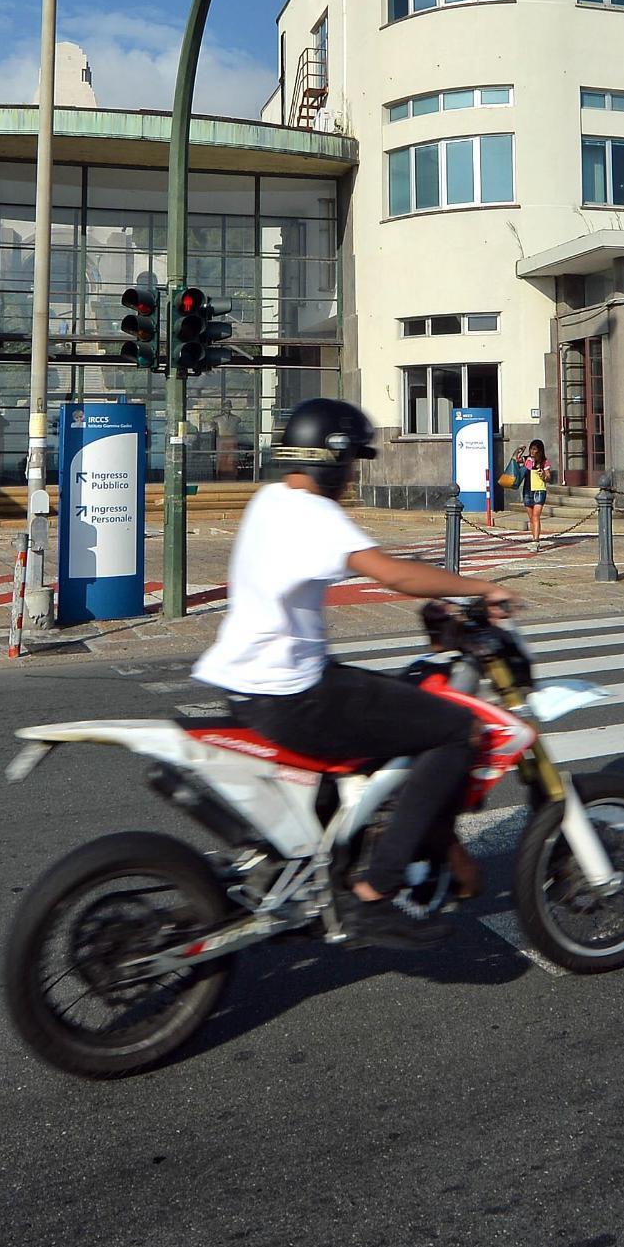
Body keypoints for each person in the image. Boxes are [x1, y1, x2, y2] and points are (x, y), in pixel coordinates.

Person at [193, 397, 516, 948]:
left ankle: (328, 863)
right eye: (352, 463)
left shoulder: (269, 499)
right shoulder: (317, 516)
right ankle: (374, 895)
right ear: (335, 460)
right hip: (292, 693)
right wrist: (482, 588)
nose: (352, 477)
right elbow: (394, 576)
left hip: (246, 686)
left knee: (388, 705)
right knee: (453, 731)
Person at [516, 438, 552, 538]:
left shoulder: (544, 462)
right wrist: (519, 451)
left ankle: (535, 541)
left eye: (535, 449)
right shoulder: (527, 459)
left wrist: (543, 475)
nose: (532, 451)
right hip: (527, 490)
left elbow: (548, 477)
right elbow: (515, 460)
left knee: (536, 516)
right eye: (531, 449)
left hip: (539, 490)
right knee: (531, 518)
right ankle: (534, 537)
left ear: (540, 451)